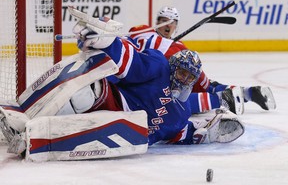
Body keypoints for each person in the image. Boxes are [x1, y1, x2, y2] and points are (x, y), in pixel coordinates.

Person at [0, 15, 244, 159]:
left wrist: (206, 132)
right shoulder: (158, 65)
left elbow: (182, 133)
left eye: (190, 77)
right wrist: (106, 41)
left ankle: (35, 136)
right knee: (85, 92)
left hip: (115, 127)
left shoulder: (179, 116)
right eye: (181, 72)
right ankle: (26, 114)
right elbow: (130, 60)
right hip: (112, 99)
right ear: (173, 67)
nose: (184, 80)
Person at [128, 6, 276, 113]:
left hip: (151, 84)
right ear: (157, 21)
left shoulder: (179, 49)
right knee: (200, 87)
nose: (167, 24)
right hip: (136, 79)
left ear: (176, 26)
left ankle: (247, 93)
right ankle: (234, 95)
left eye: (171, 22)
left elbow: (201, 82)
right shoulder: (142, 30)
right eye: (164, 20)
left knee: (202, 84)